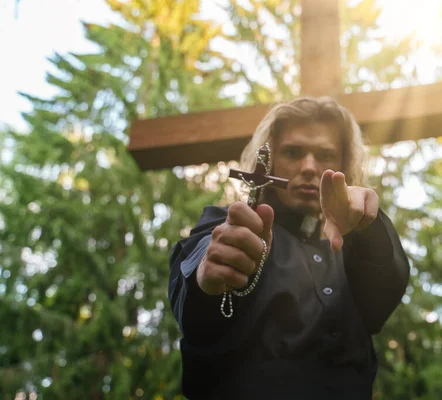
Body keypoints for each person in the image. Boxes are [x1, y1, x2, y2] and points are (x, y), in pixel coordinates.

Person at [168, 97, 410, 399]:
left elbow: (383, 298)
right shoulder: (230, 225)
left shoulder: (355, 250)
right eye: (293, 152)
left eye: (325, 154)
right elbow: (194, 277)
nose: (309, 167)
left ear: (343, 164)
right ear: (268, 161)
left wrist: (369, 228)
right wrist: (208, 268)